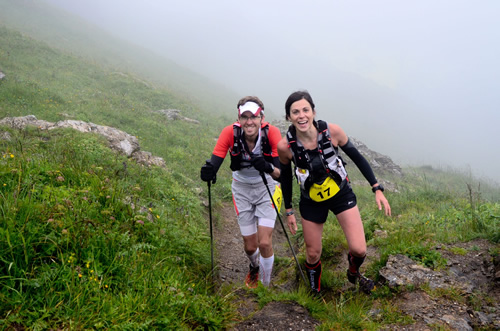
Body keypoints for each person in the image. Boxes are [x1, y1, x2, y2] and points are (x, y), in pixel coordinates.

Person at [277, 90, 391, 294]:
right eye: (295, 112)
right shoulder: (285, 147)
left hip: (341, 194)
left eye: (305, 110)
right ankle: (315, 292)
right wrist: (289, 210)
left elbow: (358, 158)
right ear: (288, 117)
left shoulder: (333, 132)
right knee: (312, 254)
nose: (301, 116)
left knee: (359, 250)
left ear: (313, 111)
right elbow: (285, 178)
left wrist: (376, 188)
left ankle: (353, 271)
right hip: (310, 200)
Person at [200, 96, 282, 288]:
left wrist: (267, 167)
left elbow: (280, 174)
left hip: (268, 187)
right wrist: (208, 172)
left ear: (262, 117)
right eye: (244, 117)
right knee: (250, 246)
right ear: (239, 118)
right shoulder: (230, 132)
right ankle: (254, 267)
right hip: (242, 189)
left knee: (264, 243)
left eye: (253, 116)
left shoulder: (272, 134)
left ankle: (265, 286)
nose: (249, 121)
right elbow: (215, 161)